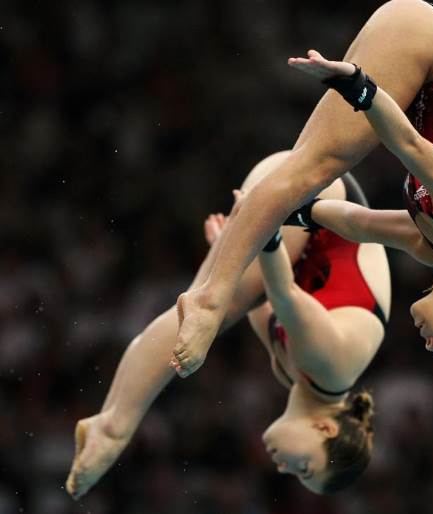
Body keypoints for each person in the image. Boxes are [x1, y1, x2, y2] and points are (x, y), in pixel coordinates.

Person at [173, 0, 433, 377]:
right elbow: (410, 146)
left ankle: (211, 295)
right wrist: (358, 87)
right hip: (426, 43)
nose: (432, 346)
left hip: (417, 68)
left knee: (301, 179)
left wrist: (281, 214)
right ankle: (209, 302)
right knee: (313, 169)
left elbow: (358, 223)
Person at [65, 152, 391, 498]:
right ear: (326, 429)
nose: (284, 468)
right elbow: (284, 294)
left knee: (205, 308)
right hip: (320, 192)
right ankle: (114, 428)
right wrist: (259, 225)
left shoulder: (292, 374)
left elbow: (261, 305)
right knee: (207, 313)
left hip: (304, 214)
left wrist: (230, 253)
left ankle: (112, 419)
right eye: (304, 468)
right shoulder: (333, 368)